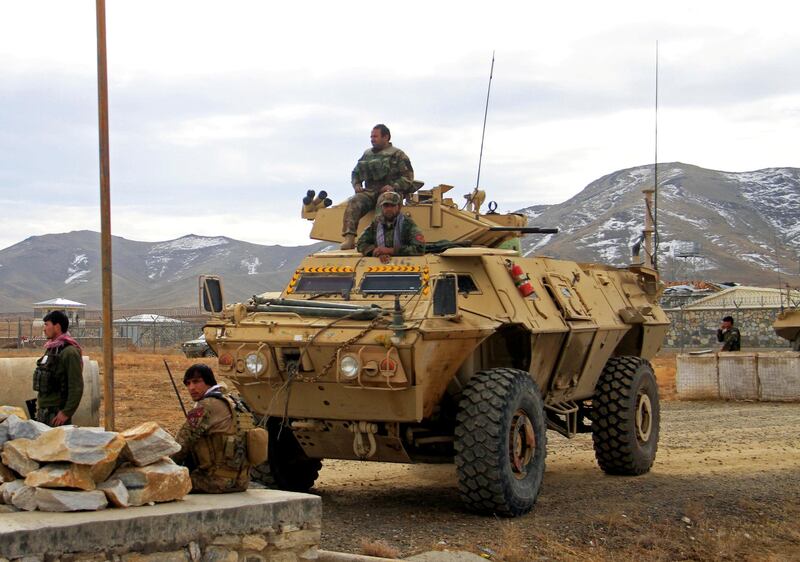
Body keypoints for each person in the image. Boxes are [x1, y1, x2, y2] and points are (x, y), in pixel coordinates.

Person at [171, 364, 253, 493]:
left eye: (196, 382)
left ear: (209, 381)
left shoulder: (206, 405)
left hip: (213, 481)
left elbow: (182, 443)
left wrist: (164, 466)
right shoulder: (235, 402)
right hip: (241, 481)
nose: (191, 387)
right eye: (188, 383)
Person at [341, 124, 415, 250]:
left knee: (384, 205)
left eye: (375, 136)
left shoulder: (398, 155)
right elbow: (356, 173)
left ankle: (379, 241)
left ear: (386, 137)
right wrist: (357, 184)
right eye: (371, 136)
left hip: (390, 192)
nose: (372, 139)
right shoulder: (367, 155)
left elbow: (408, 178)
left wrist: (393, 186)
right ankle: (349, 238)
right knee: (354, 201)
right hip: (370, 191)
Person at [32, 310, 83, 426]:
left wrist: (66, 413)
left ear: (57, 326)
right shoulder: (51, 349)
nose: (44, 329)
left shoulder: (69, 352)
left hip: (57, 416)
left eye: (47, 325)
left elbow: (76, 386)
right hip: (44, 414)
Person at [357, 191, 425, 262]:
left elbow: (419, 248)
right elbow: (361, 243)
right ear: (381, 207)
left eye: (392, 205)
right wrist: (376, 251)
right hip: (379, 264)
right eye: (386, 206)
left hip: (404, 264)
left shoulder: (407, 224)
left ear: (398, 207)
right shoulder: (376, 224)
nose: (389, 209)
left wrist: (391, 251)